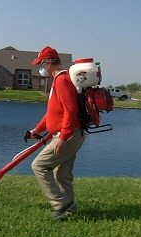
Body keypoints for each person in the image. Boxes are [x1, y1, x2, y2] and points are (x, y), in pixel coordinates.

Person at [29, 46, 85, 220]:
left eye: (41, 64)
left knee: (39, 166)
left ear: (48, 63)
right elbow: (53, 112)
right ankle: (70, 209)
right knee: (62, 174)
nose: (41, 68)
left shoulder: (61, 81)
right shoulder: (59, 80)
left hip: (68, 135)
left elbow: (70, 111)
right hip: (72, 134)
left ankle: (60, 204)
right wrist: (38, 129)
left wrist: (63, 137)